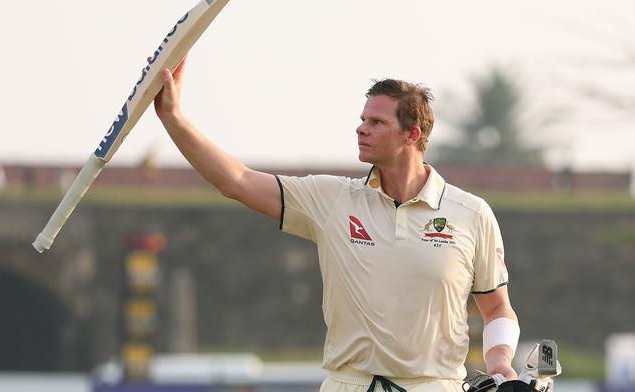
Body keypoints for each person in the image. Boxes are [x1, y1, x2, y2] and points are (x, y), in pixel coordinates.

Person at [154, 57, 520, 392]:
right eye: (362, 120)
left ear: (411, 135)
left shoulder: (471, 213)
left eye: (376, 122)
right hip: (348, 384)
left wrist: (500, 360)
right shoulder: (332, 199)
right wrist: (175, 118)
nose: (361, 129)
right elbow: (237, 181)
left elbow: (497, 308)